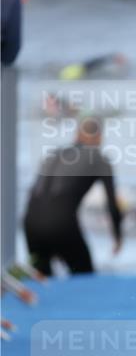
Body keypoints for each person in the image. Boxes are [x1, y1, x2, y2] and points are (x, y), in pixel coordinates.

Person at [23, 115, 123, 275]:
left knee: (41, 281)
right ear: (99, 136)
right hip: (62, 225)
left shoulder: (53, 155)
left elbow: (36, 193)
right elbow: (111, 203)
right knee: (85, 279)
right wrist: (118, 237)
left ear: (77, 134)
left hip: (31, 224)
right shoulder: (100, 159)